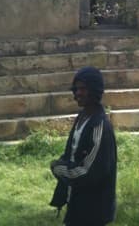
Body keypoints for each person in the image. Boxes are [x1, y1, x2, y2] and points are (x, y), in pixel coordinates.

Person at [50, 66, 117, 226]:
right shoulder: (82, 117)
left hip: (93, 208)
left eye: (83, 89)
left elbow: (89, 172)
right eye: (76, 89)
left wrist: (59, 168)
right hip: (77, 201)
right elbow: (71, 153)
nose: (78, 93)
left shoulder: (100, 126)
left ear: (95, 90)